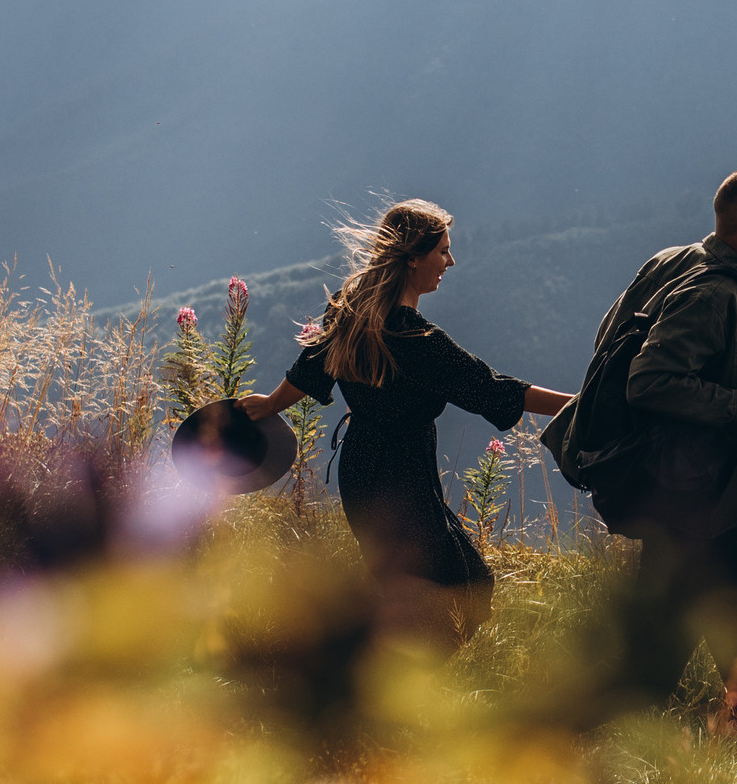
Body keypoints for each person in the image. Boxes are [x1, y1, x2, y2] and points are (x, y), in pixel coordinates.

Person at [245, 200, 573, 641]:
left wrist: (270, 404)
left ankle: (363, 684)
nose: (450, 262)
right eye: (442, 251)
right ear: (413, 258)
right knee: (461, 590)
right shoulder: (416, 338)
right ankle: (375, 690)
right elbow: (493, 389)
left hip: (365, 471)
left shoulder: (351, 309)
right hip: (398, 480)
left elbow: (311, 367)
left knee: (413, 592)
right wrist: (585, 404)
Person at [582, 168, 737, 784]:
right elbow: (647, 380)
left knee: (649, 670)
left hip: (681, 504)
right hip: (714, 511)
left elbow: (611, 342)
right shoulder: (715, 293)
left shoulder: (672, 265)